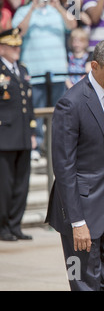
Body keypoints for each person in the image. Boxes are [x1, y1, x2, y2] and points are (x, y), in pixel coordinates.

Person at [46, 38, 104, 291]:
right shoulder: (70, 103)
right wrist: (76, 222)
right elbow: (64, 168)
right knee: (82, 281)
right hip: (78, 208)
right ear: (95, 66)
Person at [12, 0, 76, 160]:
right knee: (36, 112)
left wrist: (59, 7)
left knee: (60, 113)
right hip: (34, 72)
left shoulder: (58, 9)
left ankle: (58, 148)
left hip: (58, 72)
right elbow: (18, 32)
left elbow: (73, 26)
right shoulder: (23, 11)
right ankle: (37, 146)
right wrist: (32, 8)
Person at [0, 28, 35, 241]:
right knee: (4, 185)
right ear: (2, 47)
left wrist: (31, 130)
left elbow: (28, 104)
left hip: (22, 134)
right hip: (4, 136)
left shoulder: (22, 69)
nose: (16, 49)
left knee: (22, 183)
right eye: (12, 46)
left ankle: (15, 224)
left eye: (18, 46)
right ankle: (3, 226)